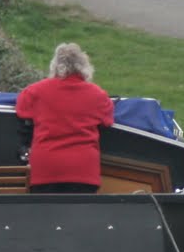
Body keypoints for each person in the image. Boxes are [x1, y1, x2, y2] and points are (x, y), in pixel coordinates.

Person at [16, 42, 116, 193]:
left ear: (55, 66)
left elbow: (22, 110)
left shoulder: (35, 91)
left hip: (45, 169)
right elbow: (107, 121)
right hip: (83, 170)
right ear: (85, 67)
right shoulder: (98, 95)